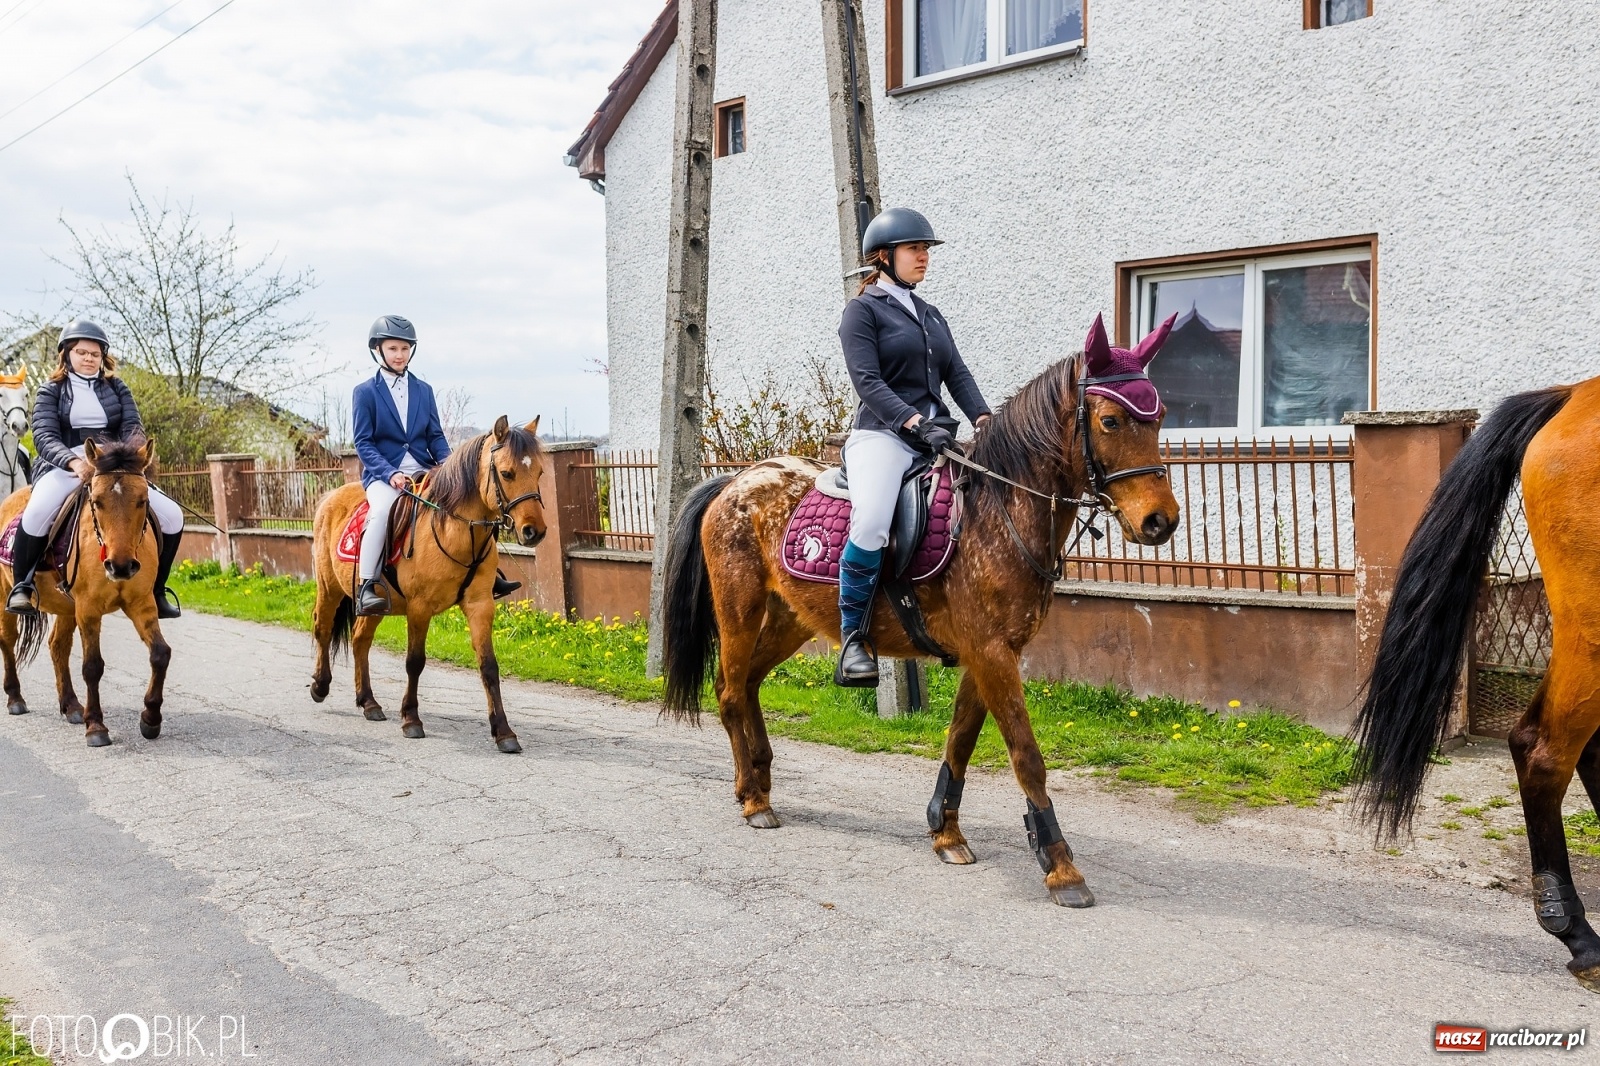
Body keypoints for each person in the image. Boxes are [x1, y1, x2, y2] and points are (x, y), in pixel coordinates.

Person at [833, 208, 992, 687]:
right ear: (884, 256)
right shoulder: (862, 312)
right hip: (882, 437)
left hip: (933, 436)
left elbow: (956, 374)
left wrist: (984, 419)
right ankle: (853, 638)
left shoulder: (930, 314)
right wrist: (916, 422)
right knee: (872, 519)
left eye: (926, 249)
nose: (924, 256)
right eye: (914, 249)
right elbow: (868, 382)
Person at [7, 320, 186, 618]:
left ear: (103, 356)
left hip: (113, 466)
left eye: (95, 353)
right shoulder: (51, 390)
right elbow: (44, 436)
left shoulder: (117, 388)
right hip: (64, 464)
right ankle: (22, 586)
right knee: (38, 511)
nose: (89, 358)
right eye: (81, 352)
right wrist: (74, 462)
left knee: (173, 515)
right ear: (67, 354)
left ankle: (157, 589)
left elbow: (132, 428)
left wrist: (131, 460)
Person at [350, 316, 519, 615]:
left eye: (405, 348)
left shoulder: (423, 390)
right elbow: (364, 443)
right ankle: (368, 585)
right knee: (380, 512)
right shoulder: (364, 392)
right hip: (384, 475)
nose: (400, 355)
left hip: (425, 469)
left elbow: (435, 436)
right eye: (393, 348)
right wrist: (389, 473)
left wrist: (450, 465)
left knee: (474, 503)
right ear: (378, 350)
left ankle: (489, 574)